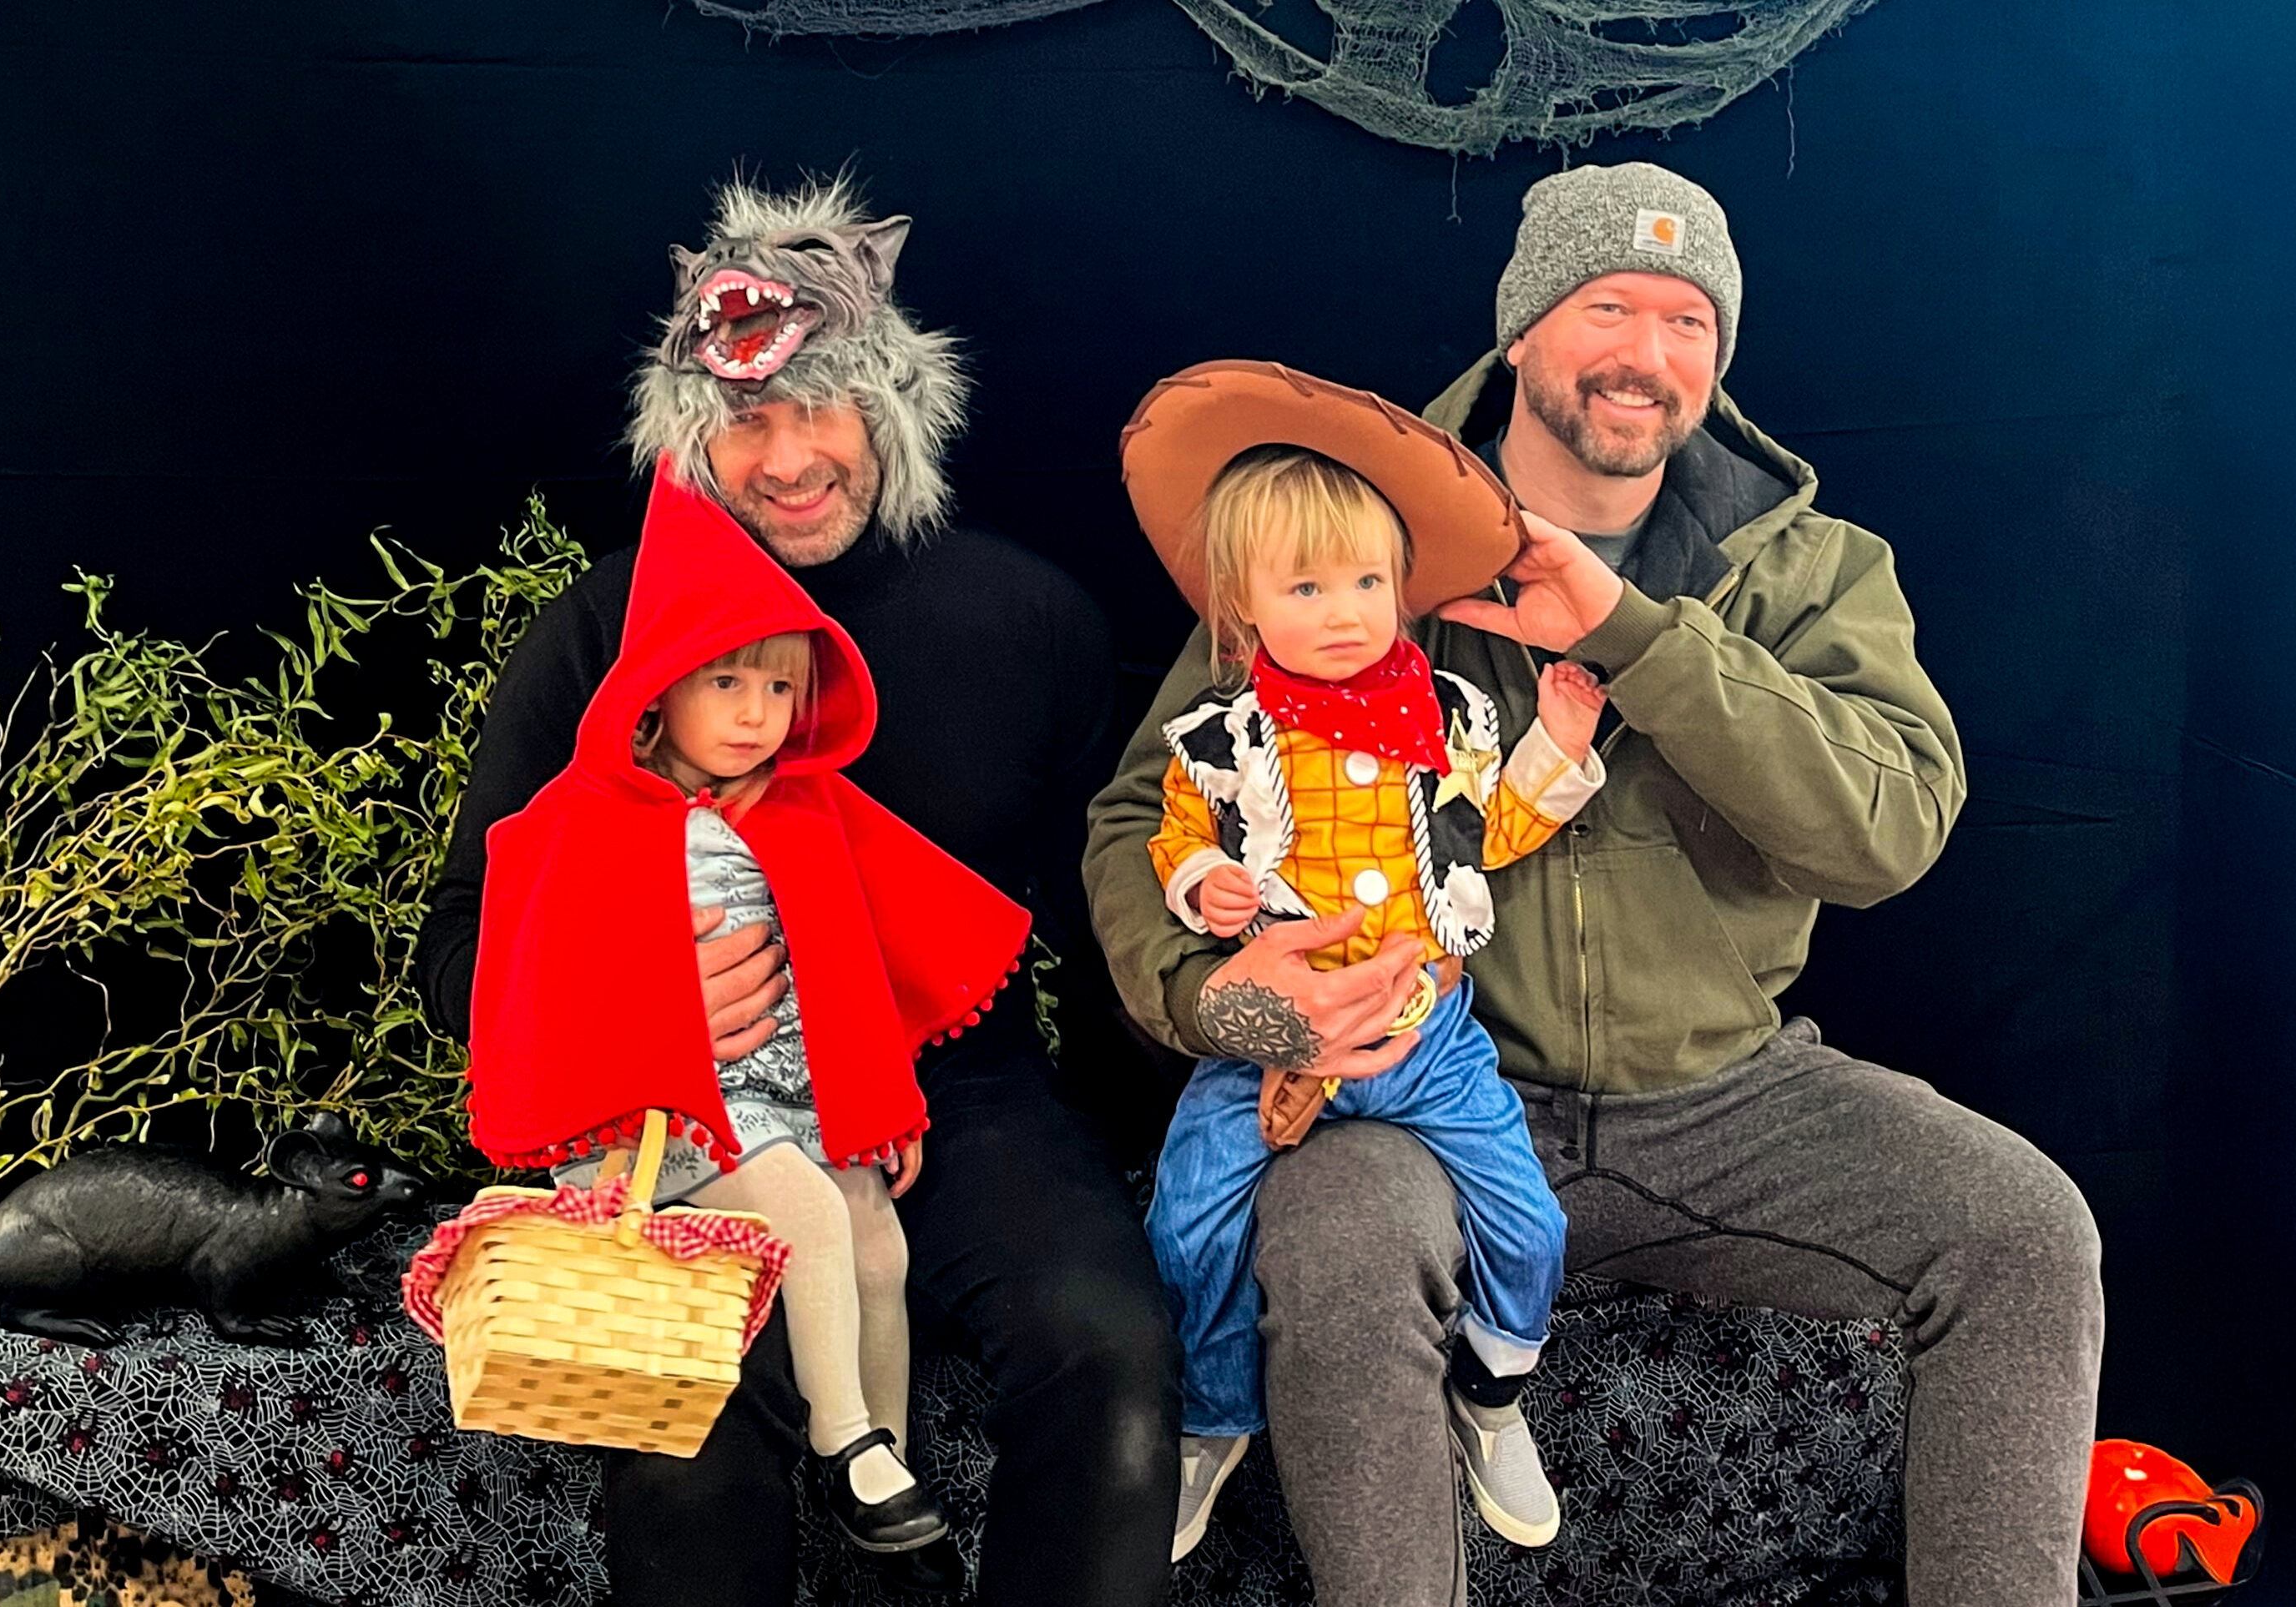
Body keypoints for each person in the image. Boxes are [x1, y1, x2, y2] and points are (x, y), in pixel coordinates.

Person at [1086, 163, 2104, 1607]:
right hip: (1434, 1078)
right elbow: (1149, 806)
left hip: (1729, 1096)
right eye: (1607, 304)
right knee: (1333, 1234)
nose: (1647, 354)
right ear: (1521, 333)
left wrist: (1638, 636)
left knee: (2025, 1229)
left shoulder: (1807, 568)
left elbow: (1887, 829)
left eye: (1689, 320)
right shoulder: (1343, 528)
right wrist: (1213, 992)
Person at [420, 173, 1179, 1607]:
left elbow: (1099, 928)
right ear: (689, 444)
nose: (789, 457)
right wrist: (631, 995)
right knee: (689, 1435)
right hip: (686, 1110)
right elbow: (457, 945)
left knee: (1113, 1353)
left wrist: (1210, 1091)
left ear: (890, 409)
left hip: (960, 1098)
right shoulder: (598, 643)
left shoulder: (1030, 622)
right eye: (747, 420)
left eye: (823, 406)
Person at [462, 460, 1035, 1556]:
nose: (756, 714)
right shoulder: (587, 821)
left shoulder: (797, 812)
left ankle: (888, 1469)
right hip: (647, 1118)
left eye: (778, 688)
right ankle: (848, 1442)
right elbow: (538, 973)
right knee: (810, 1215)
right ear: (657, 687)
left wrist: (884, 1102)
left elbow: (850, 975)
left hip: (783, 1099)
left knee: (875, 1240)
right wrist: (662, 1018)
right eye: (725, 683)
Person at [1118, 384, 1609, 1558]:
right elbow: (1174, 834)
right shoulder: (1226, 736)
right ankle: (1218, 1412)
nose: (1344, 615)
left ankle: (1493, 1395)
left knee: (1530, 1223)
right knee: (1188, 1221)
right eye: (1305, 588)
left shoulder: (1448, 718)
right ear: (1244, 607)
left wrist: (1561, 749)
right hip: (1281, 1037)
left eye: (1366, 585)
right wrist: (1204, 888)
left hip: (1427, 1029)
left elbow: (1492, 829)